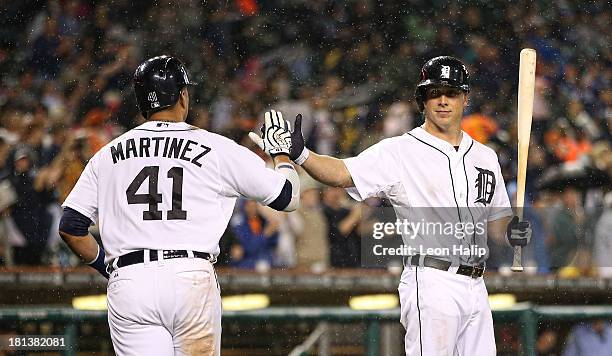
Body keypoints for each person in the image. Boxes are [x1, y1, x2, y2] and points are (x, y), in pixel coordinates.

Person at [252, 56, 532, 355]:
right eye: (434, 93)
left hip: (477, 285)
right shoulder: (400, 150)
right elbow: (343, 173)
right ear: (422, 100)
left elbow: (498, 226)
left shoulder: (485, 157)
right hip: (432, 280)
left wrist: (514, 233)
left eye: (451, 92)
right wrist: (302, 154)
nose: (443, 101)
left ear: (465, 98)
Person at [58, 55, 300, 356]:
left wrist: (106, 266)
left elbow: (71, 227)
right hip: (190, 277)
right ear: (182, 96)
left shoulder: (107, 154)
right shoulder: (214, 146)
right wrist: (282, 155)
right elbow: (288, 197)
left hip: (130, 280)